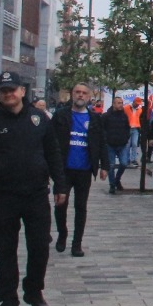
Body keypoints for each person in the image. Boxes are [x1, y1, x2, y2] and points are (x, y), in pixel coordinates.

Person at [0, 71, 67, 306]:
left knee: (39, 247)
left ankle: (34, 290)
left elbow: (53, 153)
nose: (8, 93)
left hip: (36, 195)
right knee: (6, 252)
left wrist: (60, 184)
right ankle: (7, 302)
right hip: (3, 195)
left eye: (12, 89)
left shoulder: (39, 119)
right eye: (3, 89)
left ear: (22, 91)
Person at [51, 82, 103, 257]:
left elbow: (100, 142)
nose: (80, 95)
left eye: (84, 93)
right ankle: (62, 234)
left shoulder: (94, 118)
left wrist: (105, 165)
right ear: (72, 94)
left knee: (81, 206)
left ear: (89, 97)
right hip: (64, 169)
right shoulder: (60, 115)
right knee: (60, 204)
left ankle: (77, 243)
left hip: (84, 169)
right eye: (77, 92)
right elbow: (50, 142)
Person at [100, 97, 132, 193]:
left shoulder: (124, 116)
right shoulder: (106, 116)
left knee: (124, 163)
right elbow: (102, 129)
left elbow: (127, 128)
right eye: (118, 103)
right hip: (110, 144)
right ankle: (112, 185)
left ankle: (117, 179)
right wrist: (105, 139)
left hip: (122, 144)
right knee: (111, 165)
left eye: (121, 103)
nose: (121, 105)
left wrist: (126, 138)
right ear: (113, 104)